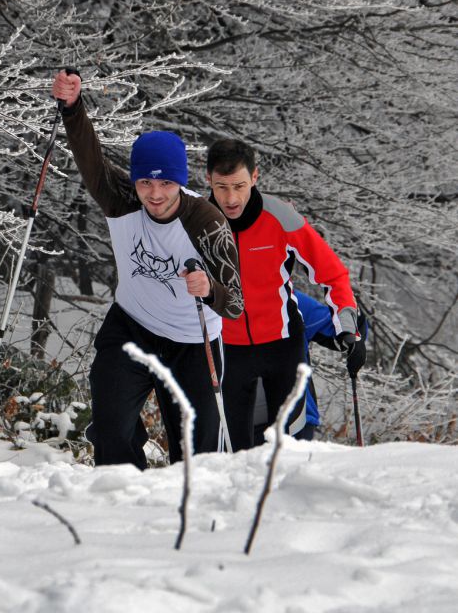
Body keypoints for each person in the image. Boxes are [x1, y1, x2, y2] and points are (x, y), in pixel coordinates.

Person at [51, 70, 244, 469]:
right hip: (132, 327)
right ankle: (123, 494)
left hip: (195, 343)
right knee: (110, 429)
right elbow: (90, 158)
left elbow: (236, 304)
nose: (154, 195)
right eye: (144, 184)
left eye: (166, 185)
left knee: (197, 457)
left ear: (181, 182)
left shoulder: (206, 224)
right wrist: (72, 108)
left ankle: (188, 517)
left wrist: (208, 288)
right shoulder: (122, 200)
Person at [205, 138, 362, 451]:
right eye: (222, 187)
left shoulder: (281, 218)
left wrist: (348, 325)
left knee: (288, 444)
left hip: (282, 344)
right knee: (232, 450)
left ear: (255, 177)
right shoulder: (197, 220)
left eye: (239, 185)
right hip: (227, 348)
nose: (231, 198)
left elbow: (332, 274)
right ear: (208, 179)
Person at [252, 290, 369, 444]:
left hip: (296, 418)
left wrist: (353, 319)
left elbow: (338, 329)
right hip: (232, 420)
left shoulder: (290, 299)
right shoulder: (216, 303)